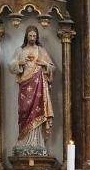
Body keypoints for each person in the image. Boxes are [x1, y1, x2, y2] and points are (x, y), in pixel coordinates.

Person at [8, 25, 55, 157]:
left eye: (34, 36)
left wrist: (44, 64)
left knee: (37, 110)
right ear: (26, 36)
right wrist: (21, 63)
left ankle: (36, 142)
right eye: (30, 36)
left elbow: (52, 67)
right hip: (25, 86)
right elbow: (11, 66)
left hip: (38, 85)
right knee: (24, 110)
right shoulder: (20, 50)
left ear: (37, 37)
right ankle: (23, 141)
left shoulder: (41, 50)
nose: (32, 38)